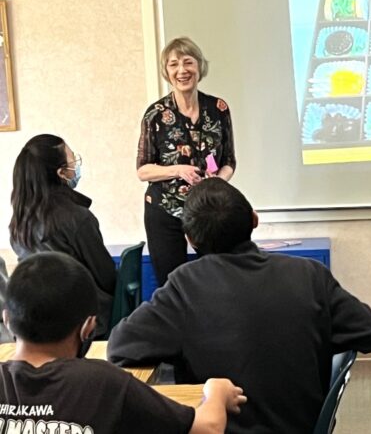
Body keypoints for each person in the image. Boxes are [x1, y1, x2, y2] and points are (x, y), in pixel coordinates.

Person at [108, 178, 371, 434]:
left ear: (190, 240)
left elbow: (120, 347)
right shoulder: (309, 273)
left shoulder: (185, 285)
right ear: (254, 219)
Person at [0, 251, 247, 434]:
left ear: (7, 319)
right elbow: (207, 428)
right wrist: (216, 392)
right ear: (88, 327)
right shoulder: (102, 382)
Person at [136, 36, 236, 287]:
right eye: (174, 64)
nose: (182, 70)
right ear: (166, 72)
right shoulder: (155, 114)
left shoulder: (219, 108)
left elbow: (229, 161)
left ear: (199, 67)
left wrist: (217, 181)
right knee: (172, 284)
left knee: (217, 279)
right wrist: (177, 170)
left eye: (188, 62)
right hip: (164, 209)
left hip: (208, 208)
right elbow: (143, 170)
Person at [10, 134, 115, 337]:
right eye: (72, 160)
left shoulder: (18, 223)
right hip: (83, 325)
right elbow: (107, 277)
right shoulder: (78, 218)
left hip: (35, 325)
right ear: (61, 173)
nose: (76, 166)